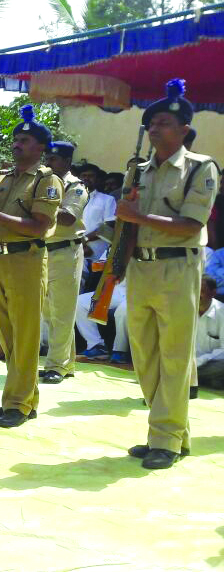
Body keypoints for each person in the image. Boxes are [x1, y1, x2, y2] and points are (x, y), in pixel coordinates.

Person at [118, 79, 218, 469]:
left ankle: (164, 438)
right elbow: (126, 226)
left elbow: (192, 224)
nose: (154, 129)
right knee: (144, 355)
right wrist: (117, 269)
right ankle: (176, 432)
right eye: (151, 123)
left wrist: (138, 216)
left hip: (178, 265)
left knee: (175, 355)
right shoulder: (138, 170)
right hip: (141, 267)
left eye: (162, 122)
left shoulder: (200, 168)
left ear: (184, 130)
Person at [0, 105, 63, 428]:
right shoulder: (3, 179)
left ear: (40, 148)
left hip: (27, 259)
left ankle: (18, 404)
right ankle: (20, 398)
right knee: (7, 336)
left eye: (24, 140)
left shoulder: (47, 181)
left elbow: (39, 225)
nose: (17, 144)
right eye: (16, 139)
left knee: (25, 335)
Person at [39, 141, 88, 384]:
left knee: (62, 311)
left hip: (65, 251)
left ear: (67, 162)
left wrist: (41, 207)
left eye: (54, 159)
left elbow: (68, 218)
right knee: (48, 310)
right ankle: (66, 363)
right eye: (47, 157)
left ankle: (56, 365)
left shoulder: (75, 186)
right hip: (44, 250)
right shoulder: (43, 183)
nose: (48, 162)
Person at [79, 162, 116, 265]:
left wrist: (85, 239)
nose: (86, 178)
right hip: (71, 247)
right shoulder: (71, 198)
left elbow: (108, 227)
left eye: (91, 176)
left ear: (98, 179)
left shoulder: (108, 200)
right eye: (84, 176)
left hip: (95, 250)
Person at [195, 276, 224, 391]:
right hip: (188, 364)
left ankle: (190, 377)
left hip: (211, 364)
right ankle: (204, 379)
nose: (198, 295)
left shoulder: (222, 313)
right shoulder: (185, 310)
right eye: (195, 290)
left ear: (213, 293)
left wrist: (199, 361)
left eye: (202, 291)